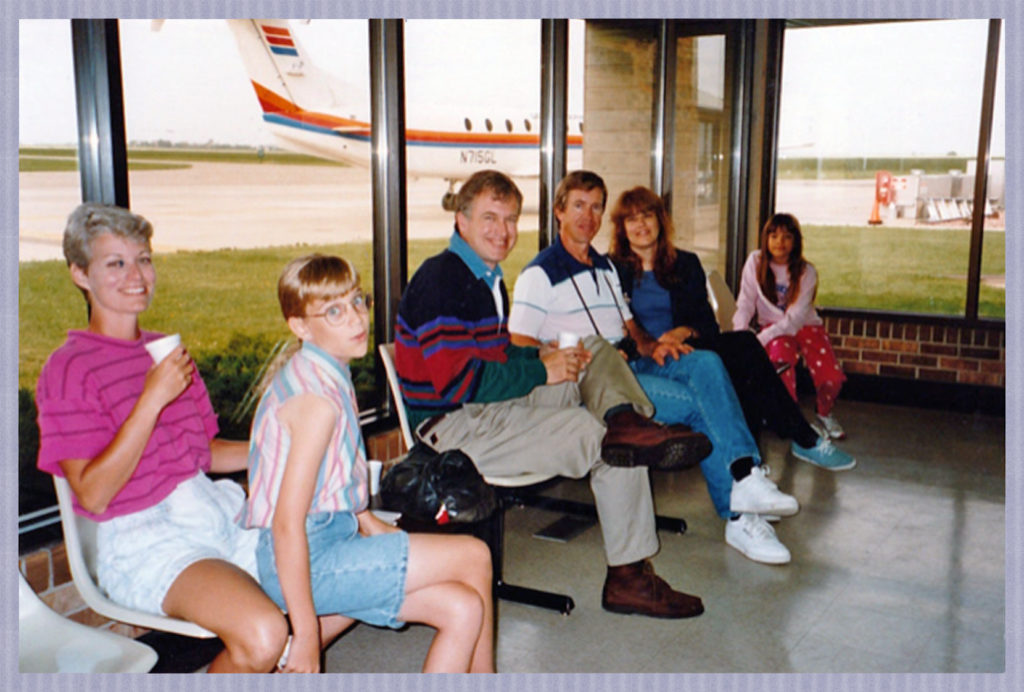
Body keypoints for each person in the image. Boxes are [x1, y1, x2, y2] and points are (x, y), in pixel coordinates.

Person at [396, 169, 708, 619]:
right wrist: (541, 371)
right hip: (455, 427)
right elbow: (458, 382)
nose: (502, 231)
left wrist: (546, 360)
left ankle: (628, 419)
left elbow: (500, 358)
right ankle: (629, 578)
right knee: (600, 438)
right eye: (489, 218)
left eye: (509, 219)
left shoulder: (484, 277)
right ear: (461, 221)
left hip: (489, 409)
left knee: (590, 349)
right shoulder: (443, 279)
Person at [35, 202, 289, 673]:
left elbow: (202, 456)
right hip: (141, 539)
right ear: (79, 274)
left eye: (144, 259)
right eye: (116, 263)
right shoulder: (67, 369)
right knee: (264, 633)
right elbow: (92, 491)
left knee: (333, 580)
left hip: (206, 510)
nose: (137, 275)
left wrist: (275, 449)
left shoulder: (167, 353)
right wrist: (151, 399)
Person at [509, 171, 802, 566]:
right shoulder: (539, 274)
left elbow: (631, 328)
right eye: (578, 205)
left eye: (596, 206)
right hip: (593, 383)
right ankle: (738, 513)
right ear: (559, 210)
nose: (588, 215)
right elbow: (517, 341)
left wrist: (657, 345)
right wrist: (557, 354)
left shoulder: (606, 268)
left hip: (631, 363)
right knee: (698, 404)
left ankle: (745, 480)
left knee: (705, 362)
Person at [244, 254, 495, 673]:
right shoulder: (317, 402)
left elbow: (332, 476)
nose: (357, 318)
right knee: (474, 556)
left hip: (330, 540)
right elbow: (287, 524)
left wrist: (368, 521)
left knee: (463, 606)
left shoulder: (325, 370)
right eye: (335, 311)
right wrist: (306, 635)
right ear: (300, 326)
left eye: (358, 301)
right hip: (309, 558)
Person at [607, 185, 855, 473]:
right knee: (742, 363)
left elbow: (707, 325)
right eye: (632, 219)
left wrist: (683, 331)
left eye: (647, 215)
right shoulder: (611, 270)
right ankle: (785, 447)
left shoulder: (685, 264)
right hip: (646, 356)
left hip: (687, 348)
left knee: (744, 347)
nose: (641, 225)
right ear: (622, 228)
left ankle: (765, 458)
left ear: (660, 220)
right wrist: (650, 343)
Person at [732, 212, 849, 441]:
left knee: (831, 377)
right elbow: (745, 302)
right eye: (773, 236)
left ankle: (824, 413)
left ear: (796, 241)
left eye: (787, 237)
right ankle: (790, 418)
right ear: (765, 239)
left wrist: (761, 339)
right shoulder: (755, 262)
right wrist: (740, 337)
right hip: (773, 327)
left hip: (804, 325)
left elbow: (795, 320)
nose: (780, 242)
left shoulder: (807, 272)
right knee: (781, 364)